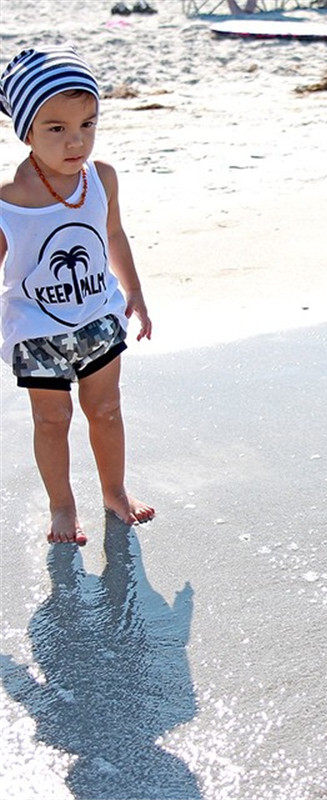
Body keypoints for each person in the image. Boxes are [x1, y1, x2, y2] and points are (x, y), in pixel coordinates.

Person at [0, 45, 155, 546]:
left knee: (106, 409)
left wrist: (134, 291)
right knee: (52, 420)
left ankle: (114, 491)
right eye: (57, 128)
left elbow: (113, 234)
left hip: (97, 316)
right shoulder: (8, 199)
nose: (77, 141)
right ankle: (62, 506)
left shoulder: (101, 178)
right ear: (26, 132)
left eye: (88, 124)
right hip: (36, 331)